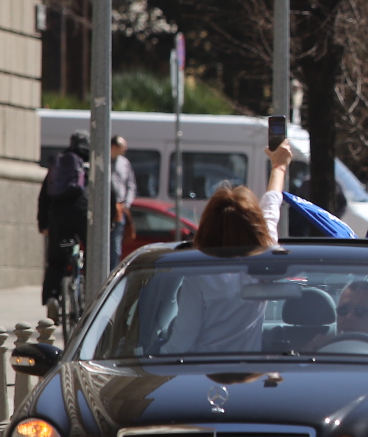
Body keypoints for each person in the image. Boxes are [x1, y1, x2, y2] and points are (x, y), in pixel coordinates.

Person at [160, 141, 294, 356]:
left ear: (206, 226)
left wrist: (149, 363)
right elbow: (271, 205)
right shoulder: (265, 260)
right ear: (255, 226)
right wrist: (279, 165)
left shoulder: (199, 276)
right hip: (250, 371)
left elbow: (182, 342)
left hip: (201, 375)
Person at [36, 132, 91, 318]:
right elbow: (111, 191)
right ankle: (93, 295)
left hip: (58, 216)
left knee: (56, 261)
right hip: (83, 213)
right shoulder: (90, 162)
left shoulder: (58, 163)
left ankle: (52, 297)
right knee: (94, 255)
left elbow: (44, 195)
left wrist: (43, 223)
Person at [110, 135, 137, 266]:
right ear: (114, 147)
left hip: (119, 208)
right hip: (104, 208)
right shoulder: (101, 160)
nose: (125, 149)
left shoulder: (124, 163)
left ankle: (112, 273)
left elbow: (131, 185)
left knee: (115, 246)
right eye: (122, 146)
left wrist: (127, 204)